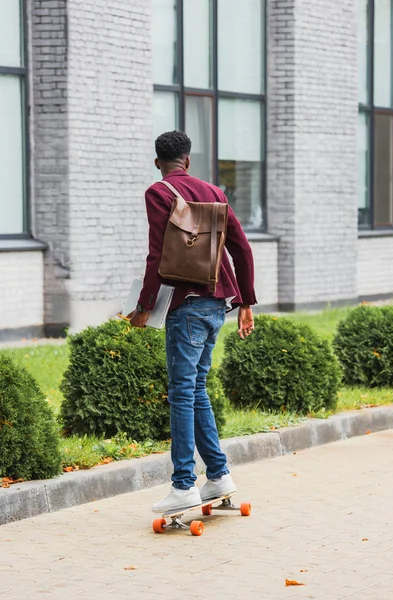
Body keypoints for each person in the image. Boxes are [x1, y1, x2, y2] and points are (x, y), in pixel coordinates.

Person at [129, 131, 256, 513]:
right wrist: (247, 301)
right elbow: (241, 247)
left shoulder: (159, 192)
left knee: (182, 393)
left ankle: (183, 484)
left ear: (158, 163)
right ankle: (218, 476)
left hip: (185, 306)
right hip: (219, 303)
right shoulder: (214, 192)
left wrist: (144, 305)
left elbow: (159, 256)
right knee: (196, 388)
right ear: (188, 160)